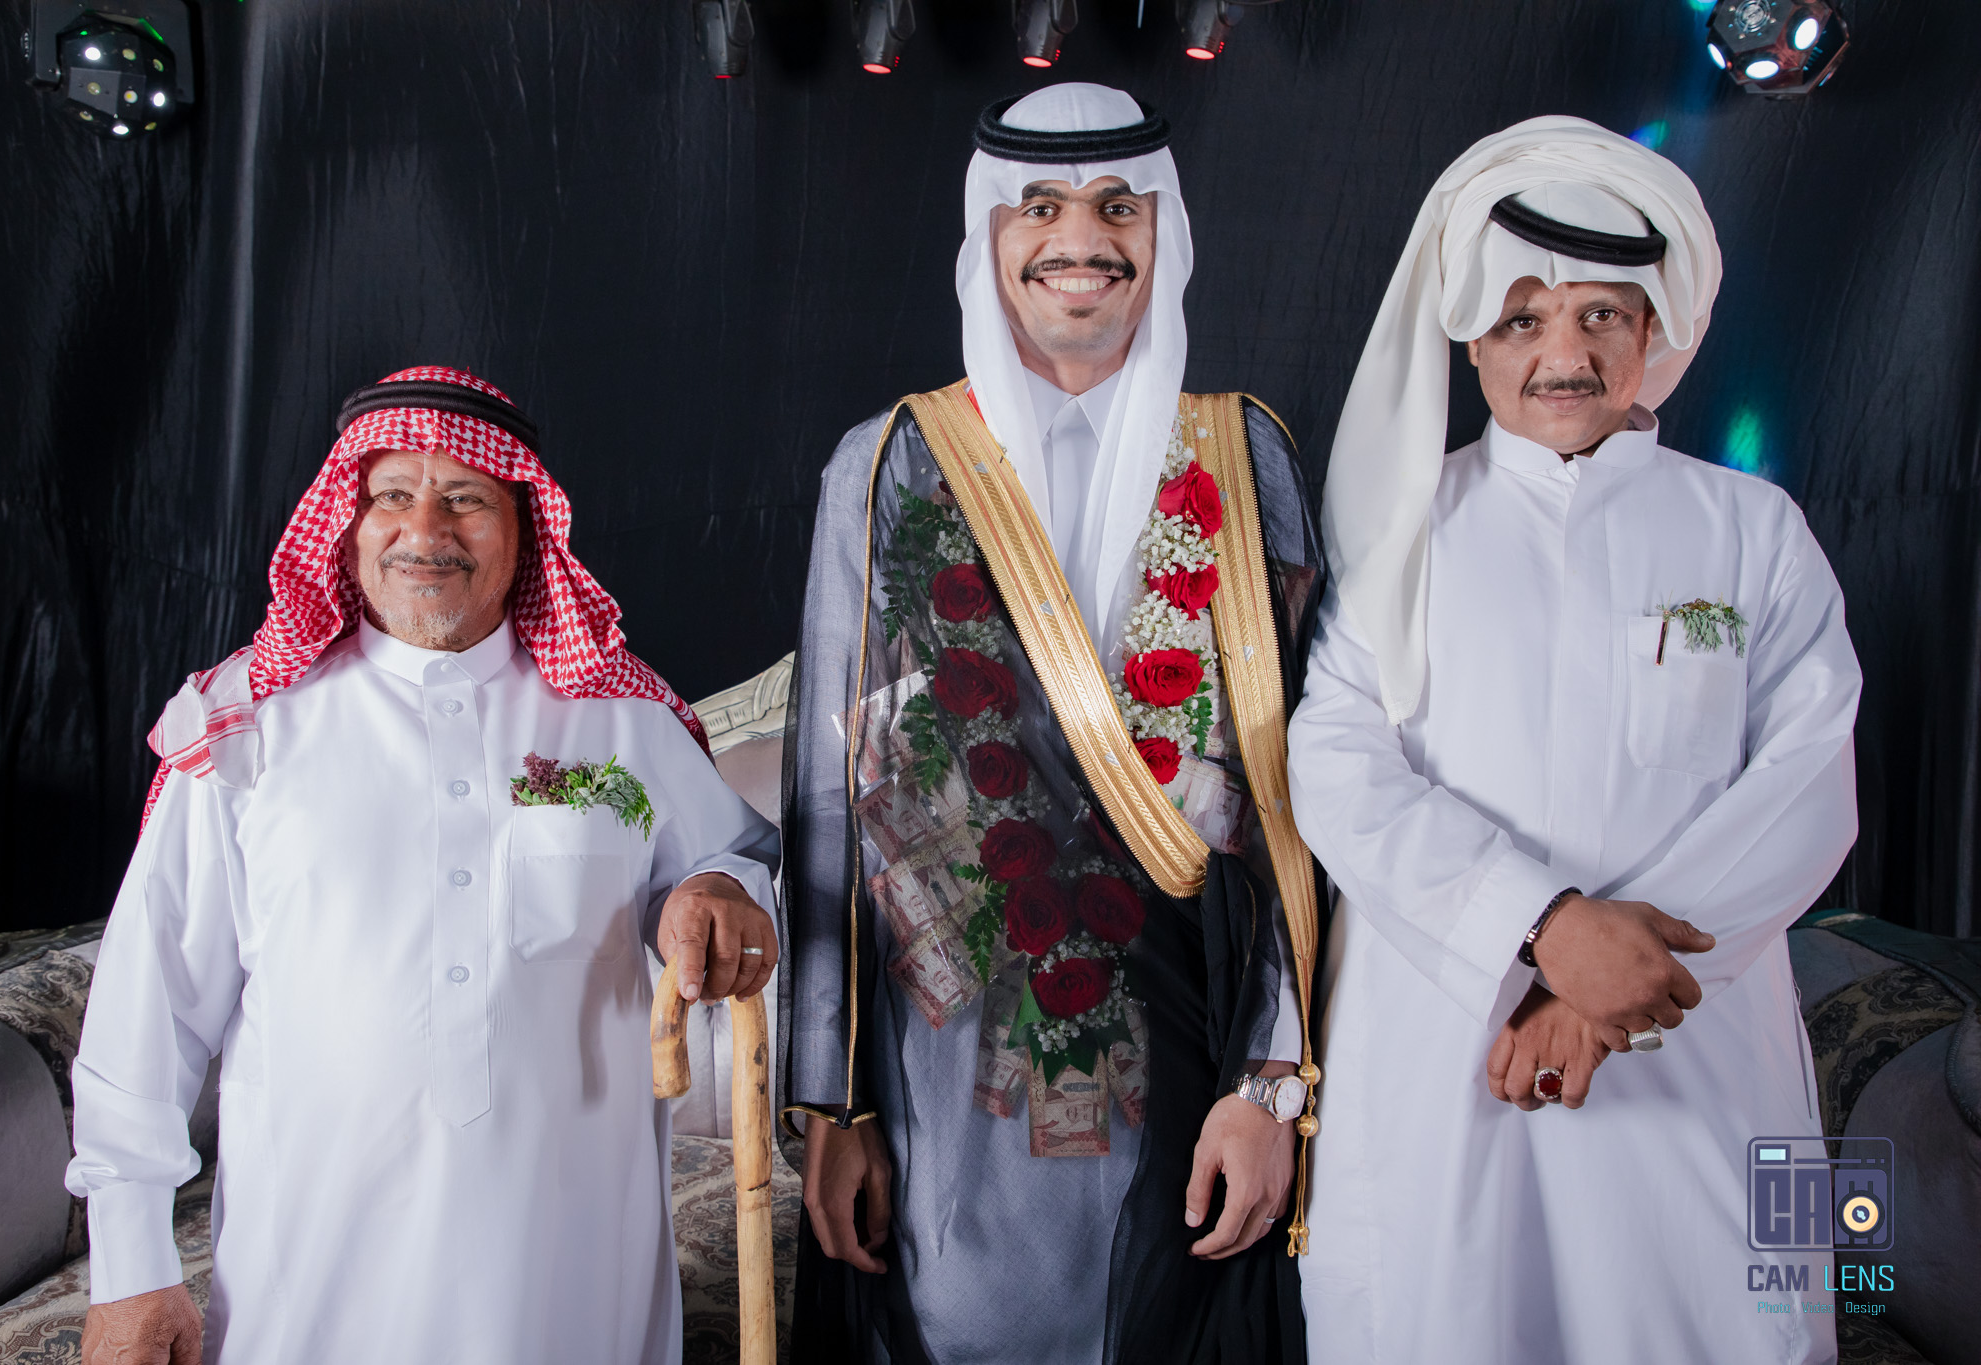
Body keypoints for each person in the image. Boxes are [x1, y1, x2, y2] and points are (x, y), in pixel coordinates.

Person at [1288, 117, 1860, 1365]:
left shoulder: (1753, 530)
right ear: (1469, 340)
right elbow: (1335, 769)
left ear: (1655, 330)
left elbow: (1807, 787)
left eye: (1601, 314)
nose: (1563, 354)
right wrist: (1539, 927)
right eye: (1521, 320)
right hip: (1446, 1037)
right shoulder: (1398, 534)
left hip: (1694, 1040)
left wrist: (1597, 1001)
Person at [67, 367, 780, 1364]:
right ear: (347, 523)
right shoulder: (247, 733)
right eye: (392, 495)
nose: (425, 530)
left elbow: (729, 860)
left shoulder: (620, 727)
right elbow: (151, 1011)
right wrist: (131, 1266)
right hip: (307, 1301)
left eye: (467, 499)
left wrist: (717, 890)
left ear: (523, 529)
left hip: (571, 1295)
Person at [780, 84, 1324, 1364]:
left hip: (1197, 1030)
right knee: (960, 1324)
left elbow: (1304, 794)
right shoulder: (892, 461)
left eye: (1116, 206)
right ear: (988, 233)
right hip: (947, 1058)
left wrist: (1274, 1086)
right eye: (1039, 207)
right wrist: (831, 1101)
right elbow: (830, 796)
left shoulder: (1245, 457)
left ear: (1163, 230)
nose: (1079, 238)